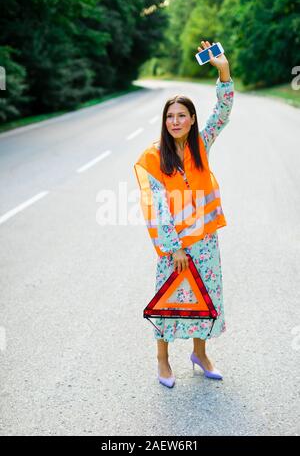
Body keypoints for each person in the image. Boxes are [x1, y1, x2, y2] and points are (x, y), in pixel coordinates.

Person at [134, 40, 234, 388]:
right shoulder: (154, 158)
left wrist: (222, 69)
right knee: (168, 299)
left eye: (182, 115)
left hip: (205, 241)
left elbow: (222, 111)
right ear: (165, 122)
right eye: (170, 116)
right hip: (173, 246)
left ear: (192, 120)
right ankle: (162, 361)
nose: (175, 121)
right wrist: (174, 246)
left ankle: (200, 353)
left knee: (205, 297)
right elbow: (156, 207)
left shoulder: (201, 145)